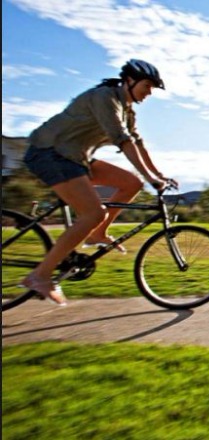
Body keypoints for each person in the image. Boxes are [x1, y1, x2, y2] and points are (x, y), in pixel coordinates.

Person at [20, 59, 176, 305]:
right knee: (94, 213)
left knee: (131, 183)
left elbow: (137, 143)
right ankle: (39, 276)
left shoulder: (127, 109)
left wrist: (158, 175)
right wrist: (152, 178)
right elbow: (122, 140)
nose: (149, 92)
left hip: (76, 157)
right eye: (147, 86)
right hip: (49, 152)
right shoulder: (105, 97)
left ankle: (97, 234)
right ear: (130, 81)